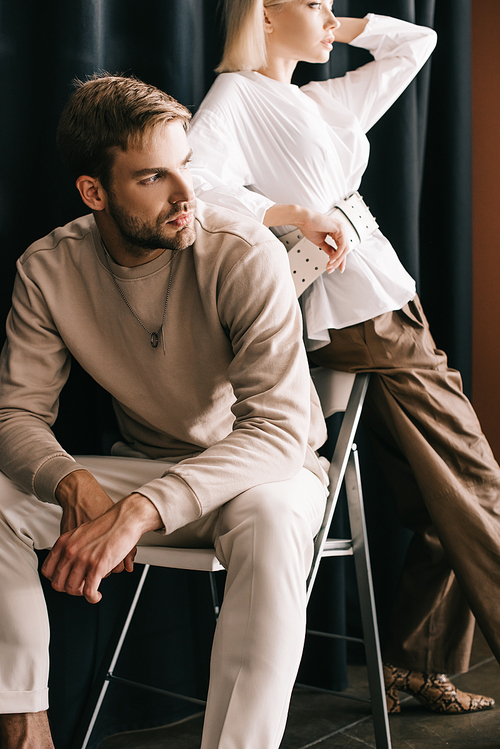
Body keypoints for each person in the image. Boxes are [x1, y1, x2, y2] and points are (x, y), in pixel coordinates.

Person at [187, 0, 500, 714]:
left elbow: (417, 43)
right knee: (482, 485)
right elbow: (198, 187)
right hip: (360, 315)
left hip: (388, 301)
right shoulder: (237, 95)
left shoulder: (317, 98)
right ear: (263, 14)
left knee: (439, 503)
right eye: (313, 3)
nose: (329, 14)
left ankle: (415, 666)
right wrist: (294, 214)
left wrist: (344, 27)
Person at [0, 73, 330, 749]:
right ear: (94, 191)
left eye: (187, 166)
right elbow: (15, 417)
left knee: (270, 515)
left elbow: (276, 431)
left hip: (260, 474)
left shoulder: (243, 253)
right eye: (154, 177)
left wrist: (139, 511)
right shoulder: (48, 269)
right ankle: (25, 728)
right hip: (146, 469)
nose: (187, 196)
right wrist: (68, 479)